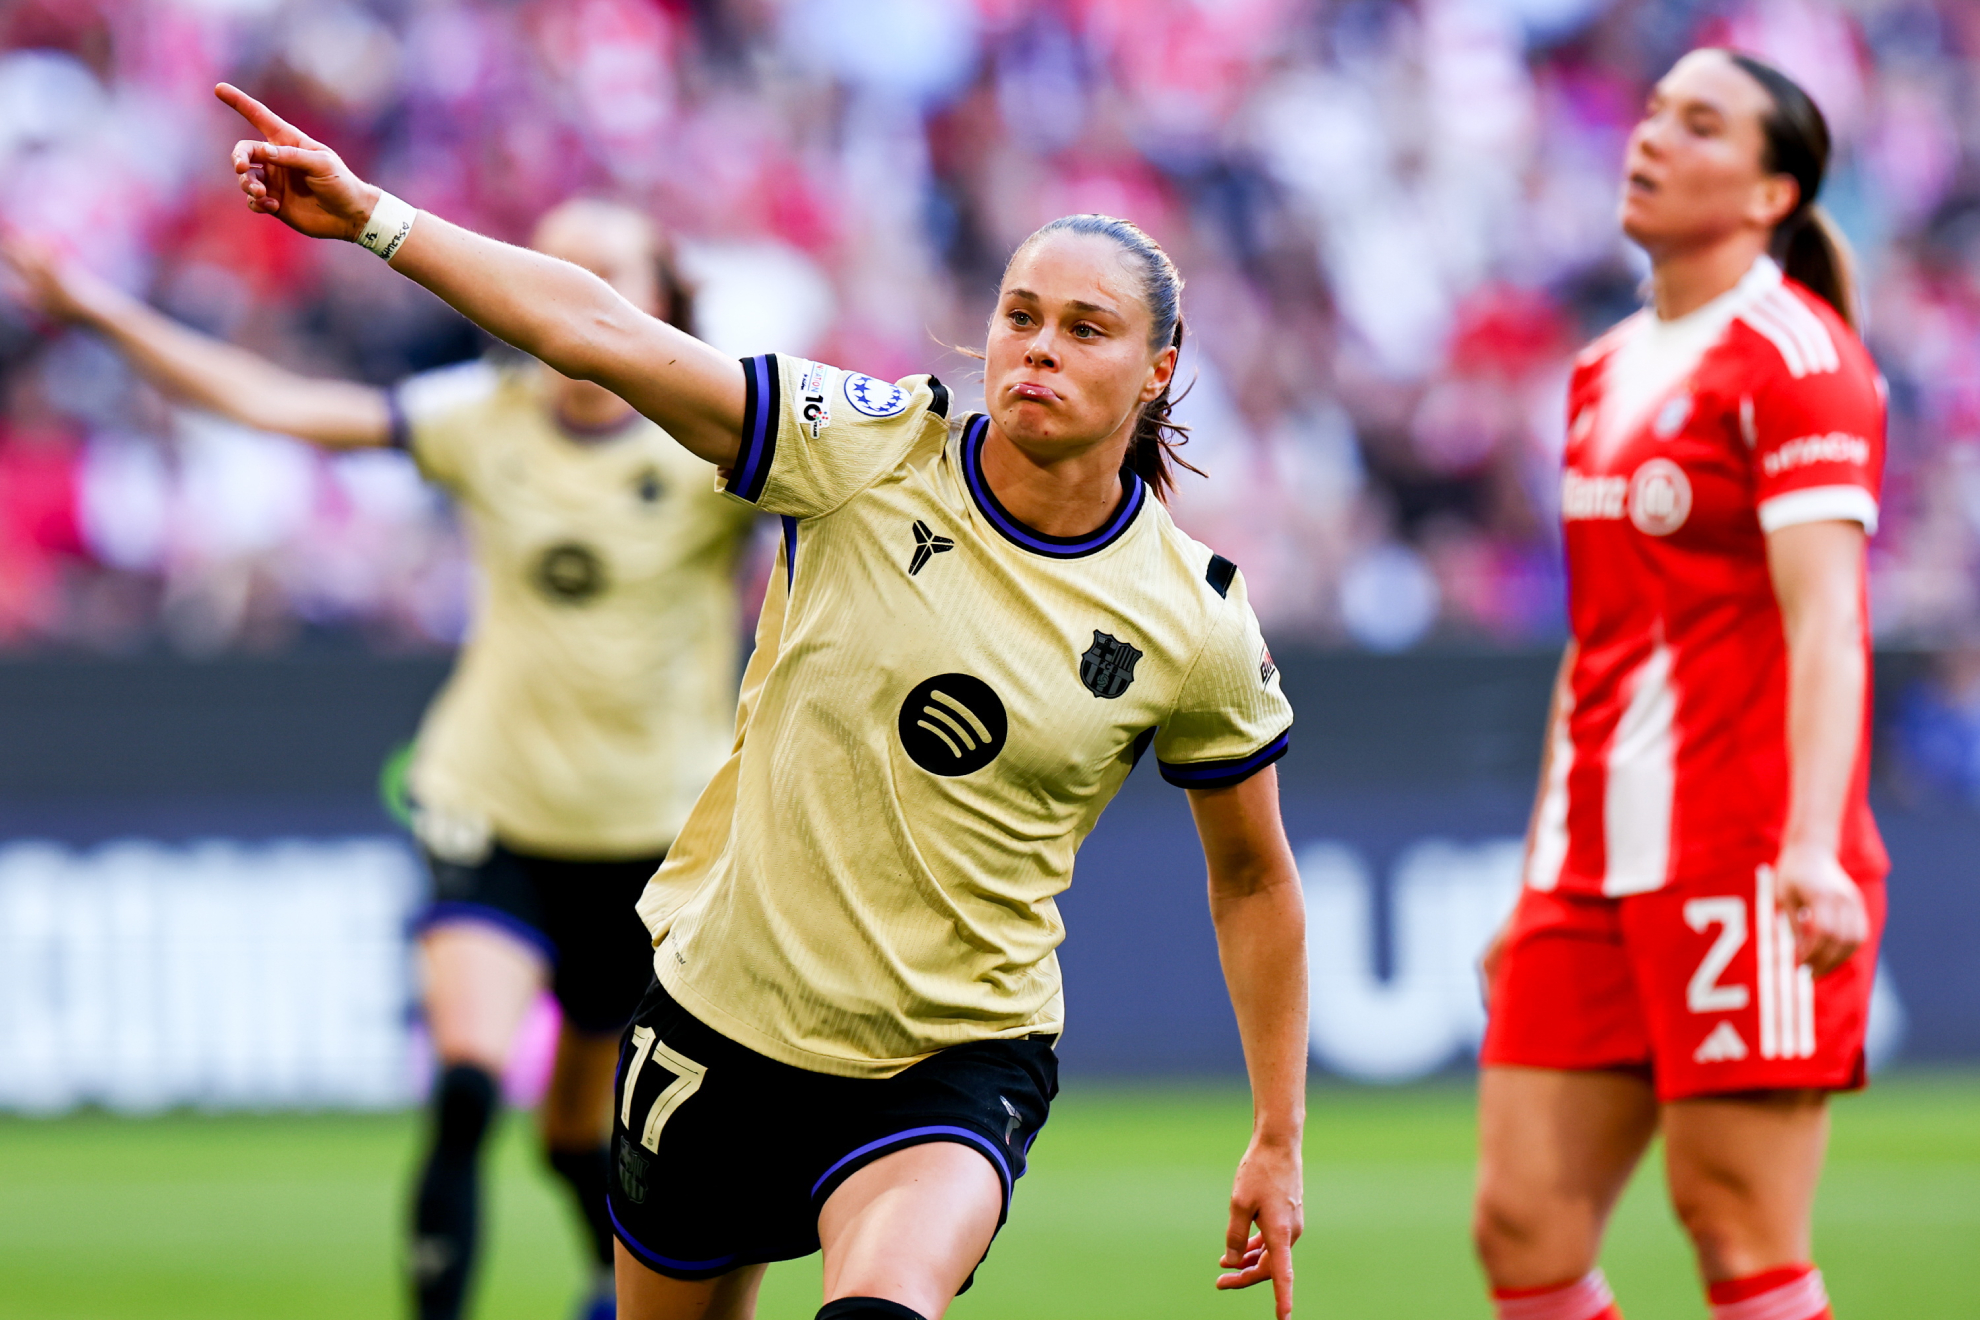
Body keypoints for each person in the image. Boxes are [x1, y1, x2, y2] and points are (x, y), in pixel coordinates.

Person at [210, 80, 1309, 1320]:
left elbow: (1256, 877)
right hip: (718, 1027)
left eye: (1086, 328)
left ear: (1160, 369)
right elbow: (604, 333)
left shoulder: (1193, 614)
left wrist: (1277, 1130)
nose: (1040, 346)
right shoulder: (862, 450)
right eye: (1019, 315)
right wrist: (376, 221)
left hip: (952, 1062)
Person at [2, 198, 757, 1320]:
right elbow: (274, 404)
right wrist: (100, 310)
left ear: (658, 303)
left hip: (650, 834)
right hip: (488, 802)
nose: (572, 297)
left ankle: (608, 1279)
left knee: (583, 1136)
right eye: (550, 272)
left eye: (604, 275)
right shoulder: (480, 418)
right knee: (463, 1081)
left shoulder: (715, 442)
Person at [1473, 49, 1885, 1320]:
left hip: (1742, 851)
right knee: (1521, 1225)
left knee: (1735, 1226)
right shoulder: (1602, 368)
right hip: (1590, 858)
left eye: (1701, 125)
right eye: (1653, 113)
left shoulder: (1797, 359)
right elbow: (1596, 644)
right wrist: (1537, 866)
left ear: (1771, 195)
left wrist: (1810, 851)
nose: (1652, 138)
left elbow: (1829, 626)